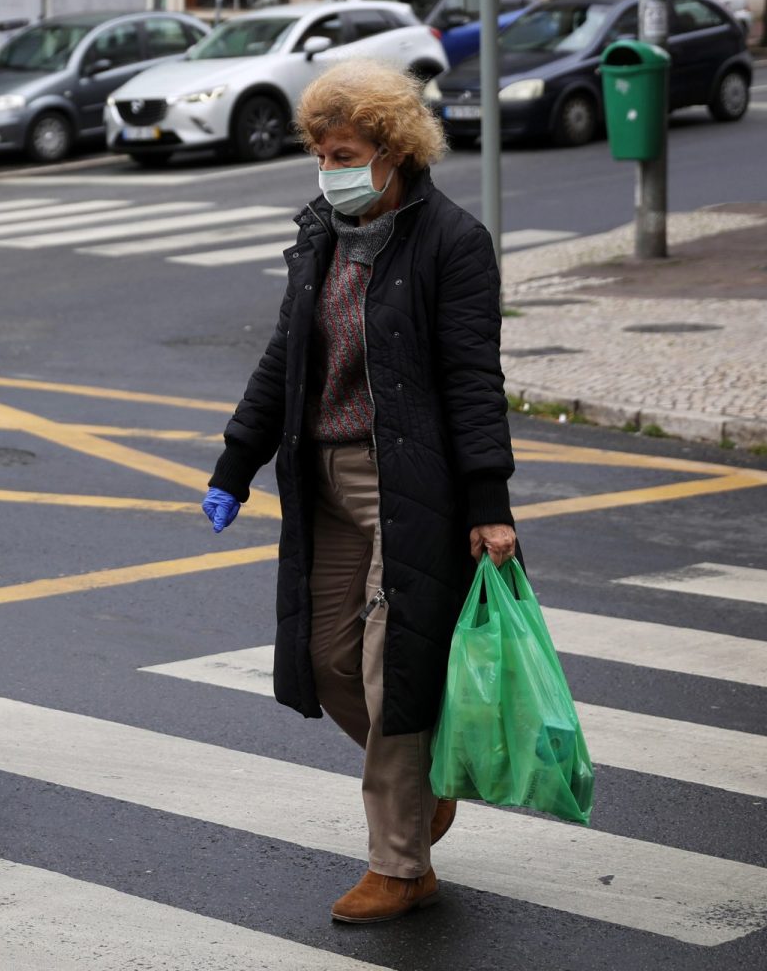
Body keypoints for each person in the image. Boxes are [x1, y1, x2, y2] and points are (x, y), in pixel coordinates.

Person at [200, 58, 518, 925]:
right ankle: (418, 789)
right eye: (320, 150)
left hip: (408, 483)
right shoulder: (322, 237)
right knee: (327, 660)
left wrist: (489, 502)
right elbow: (285, 364)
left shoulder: (452, 243)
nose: (329, 166)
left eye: (345, 151)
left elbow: (471, 380)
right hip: (322, 480)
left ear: (394, 150)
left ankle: (401, 862)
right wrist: (236, 463)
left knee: (393, 673)